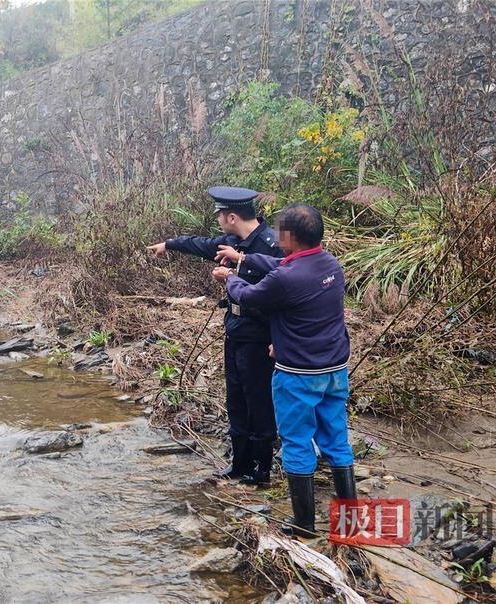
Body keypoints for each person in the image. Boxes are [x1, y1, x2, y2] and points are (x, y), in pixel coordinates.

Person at [213, 203, 357, 537]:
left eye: (279, 231)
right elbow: (280, 266)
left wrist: (230, 277)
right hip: (335, 367)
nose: (275, 236)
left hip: (299, 375)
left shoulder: (286, 278)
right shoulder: (330, 265)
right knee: (336, 439)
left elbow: (249, 296)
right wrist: (243, 257)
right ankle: (350, 521)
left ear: (290, 237)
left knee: (296, 442)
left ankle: (304, 524)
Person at [147, 186, 285, 484]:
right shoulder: (232, 241)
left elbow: (281, 297)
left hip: (260, 336)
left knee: (259, 400)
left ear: (231, 216)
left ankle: (261, 469)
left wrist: (278, 337)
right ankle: (239, 464)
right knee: (236, 397)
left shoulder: (273, 245)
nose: (219, 222)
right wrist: (169, 244)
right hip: (235, 330)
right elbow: (201, 245)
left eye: (220, 216)